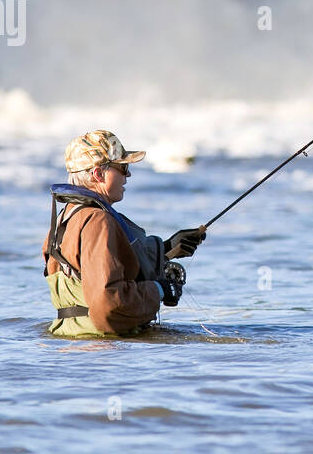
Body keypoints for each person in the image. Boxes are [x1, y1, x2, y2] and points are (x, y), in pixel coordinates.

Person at [43, 130, 206, 337]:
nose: (128, 174)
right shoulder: (98, 222)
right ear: (98, 174)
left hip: (71, 344)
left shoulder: (64, 219)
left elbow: (91, 273)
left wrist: (166, 249)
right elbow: (109, 305)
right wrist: (160, 289)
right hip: (102, 349)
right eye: (122, 167)